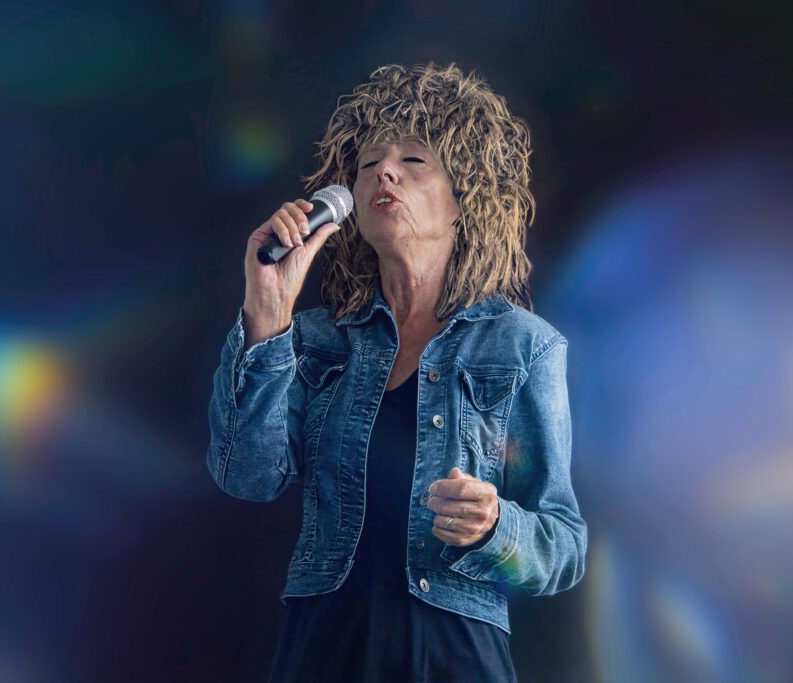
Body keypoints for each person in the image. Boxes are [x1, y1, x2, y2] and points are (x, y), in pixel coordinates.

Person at [207, 62, 587, 682]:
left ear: (464, 197)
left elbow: (563, 549)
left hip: (453, 654)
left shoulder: (524, 346)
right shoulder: (316, 339)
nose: (384, 171)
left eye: (413, 159)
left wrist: (496, 526)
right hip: (324, 648)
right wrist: (267, 311)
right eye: (368, 164)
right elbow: (245, 476)